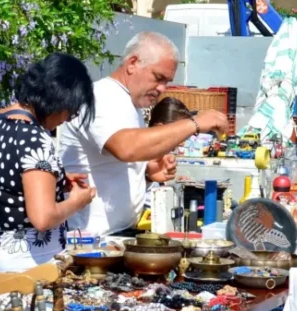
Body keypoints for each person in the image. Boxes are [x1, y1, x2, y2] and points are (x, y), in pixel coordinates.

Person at [58, 32, 228, 235]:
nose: (162, 88)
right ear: (132, 63)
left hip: (114, 234)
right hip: (87, 238)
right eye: (158, 78)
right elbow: (126, 147)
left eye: (167, 82)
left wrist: (147, 174)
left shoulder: (130, 104)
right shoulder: (101, 97)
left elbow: (115, 165)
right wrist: (194, 123)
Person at [0, 53, 96, 273]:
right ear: (61, 100)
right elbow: (43, 218)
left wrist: (56, 179)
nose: (68, 119)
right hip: (27, 266)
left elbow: (7, 182)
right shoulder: (35, 140)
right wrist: (77, 201)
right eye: (72, 111)